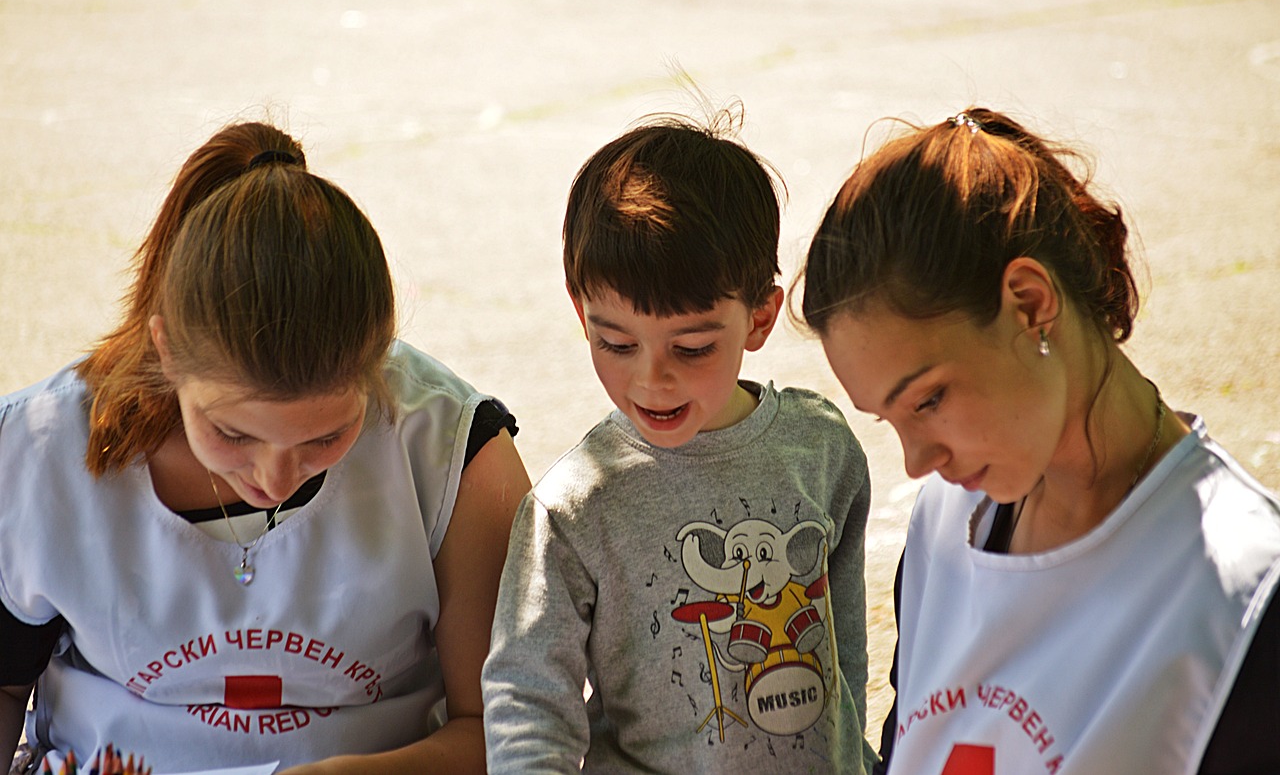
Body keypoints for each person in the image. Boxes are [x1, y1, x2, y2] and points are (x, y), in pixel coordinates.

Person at [0, 122, 532, 774]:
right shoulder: (38, 450)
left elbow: (513, 729)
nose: (276, 476)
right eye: (232, 434)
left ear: (379, 365)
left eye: (325, 438)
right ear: (167, 349)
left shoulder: (455, 453)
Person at [796, 107, 1280, 774]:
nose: (917, 461)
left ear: (1029, 303)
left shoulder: (1244, 595)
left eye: (930, 399)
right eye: (889, 418)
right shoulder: (946, 524)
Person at [481, 114, 879, 773]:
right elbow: (528, 700)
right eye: (615, 343)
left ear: (760, 317)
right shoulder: (573, 506)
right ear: (582, 313)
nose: (651, 378)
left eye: (691, 347)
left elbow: (846, 654)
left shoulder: (822, 449)